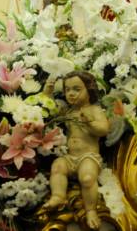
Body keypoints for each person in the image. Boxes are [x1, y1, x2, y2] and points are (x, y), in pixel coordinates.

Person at [42, 71, 111, 229]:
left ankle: (91, 210)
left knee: (87, 178)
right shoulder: (68, 111)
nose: (71, 93)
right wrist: (47, 93)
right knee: (57, 167)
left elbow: (104, 129)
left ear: (89, 89)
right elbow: (50, 110)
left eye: (76, 89)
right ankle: (58, 196)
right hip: (69, 157)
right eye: (67, 90)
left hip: (88, 157)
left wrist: (89, 123)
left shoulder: (94, 110)